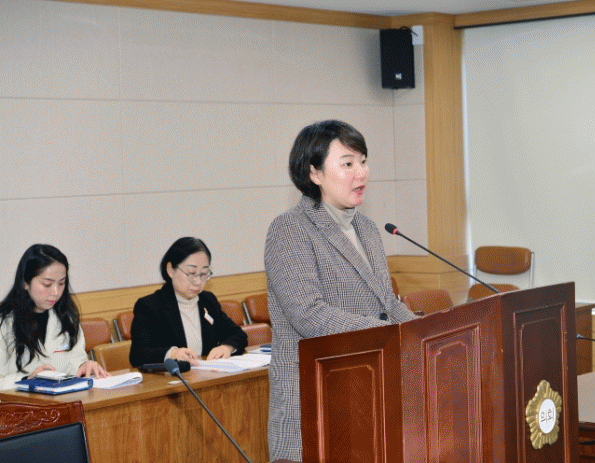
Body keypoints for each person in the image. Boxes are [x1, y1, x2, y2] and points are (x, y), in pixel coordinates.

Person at [265, 119, 417, 461]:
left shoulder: (368, 228)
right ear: (314, 173)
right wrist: (389, 335)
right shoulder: (290, 229)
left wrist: (422, 333)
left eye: (363, 161)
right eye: (347, 164)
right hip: (315, 401)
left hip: (367, 397)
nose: (361, 173)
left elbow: (387, 303)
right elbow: (309, 315)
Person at [0, 244, 110, 390]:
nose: (56, 292)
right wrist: (27, 380)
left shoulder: (67, 319)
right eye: (47, 284)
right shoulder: (4, 323)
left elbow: (75, 362)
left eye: (61, 283)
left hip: (63, 401)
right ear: (25, 282)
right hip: (17, 403)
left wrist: (84, 367)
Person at [129, 237, 247, 367]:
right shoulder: (150, 306)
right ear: (170, 269)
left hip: (207, 375)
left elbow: (238, 334)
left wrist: (227, 347)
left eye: (203, 274)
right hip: (173, 378)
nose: (198, 282)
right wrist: (172, 354)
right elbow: (138, 354)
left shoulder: (208, 301)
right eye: (191, 273)